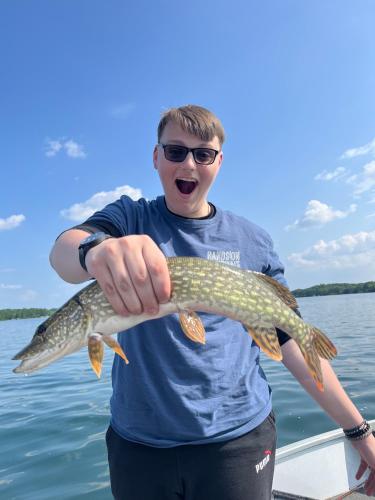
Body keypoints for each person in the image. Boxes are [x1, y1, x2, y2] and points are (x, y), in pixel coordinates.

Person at [50, 105, 375, 499]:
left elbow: (289, 340)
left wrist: (357, 429)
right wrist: (94, 252)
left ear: (218, 162)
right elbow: (64, 252)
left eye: (202, 154)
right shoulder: (130, 218)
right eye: (175, 151)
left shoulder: (252, 241)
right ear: (156, 157)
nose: (189, 163)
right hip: (139, 446)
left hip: (237, 442)